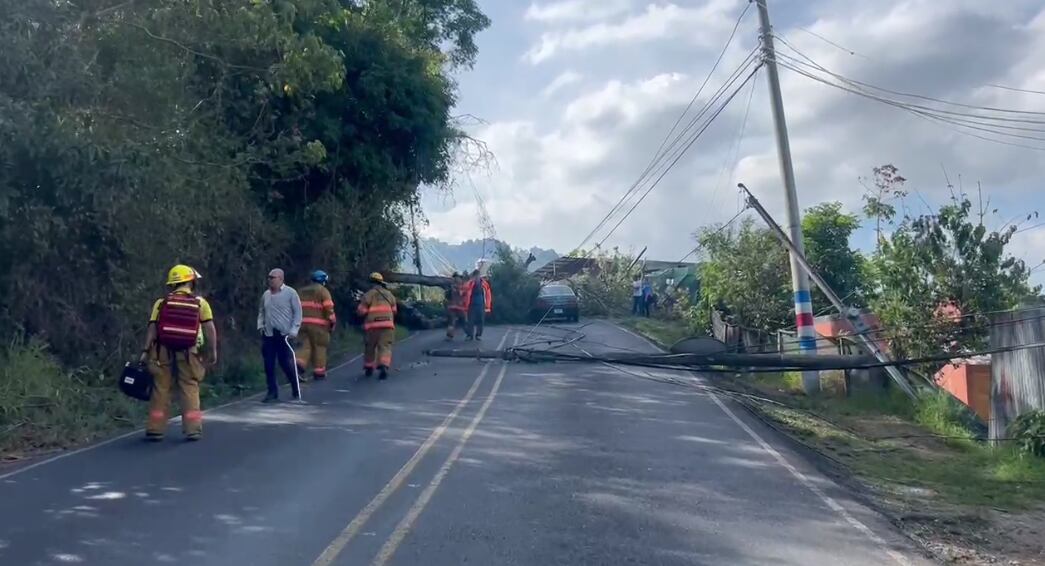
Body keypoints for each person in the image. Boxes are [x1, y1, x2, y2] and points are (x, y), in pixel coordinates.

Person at [139, 265, 218, 442]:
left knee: (161, 389)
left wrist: (145, 351)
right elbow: (210, 329)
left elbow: (152, 328)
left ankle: (155, 429)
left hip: (162, 351)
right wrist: (212, 352)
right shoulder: (200, 303)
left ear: (172, 284)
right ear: (190, 281)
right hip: (189, 352)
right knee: (189, 388)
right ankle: (192, 429)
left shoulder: (161, 303)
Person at [258, 268, 303, 403]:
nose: (270, 280)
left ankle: (295, 386)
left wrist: (294, 330)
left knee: (285, 363)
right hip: (269, 334)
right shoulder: (266, 295)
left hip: (284, 334)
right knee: (269, 364)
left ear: (281, 279)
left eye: (273, 278)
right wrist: (260, 325)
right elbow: (261, 311)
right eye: (269, 277)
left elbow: (298, 313)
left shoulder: (290, 293)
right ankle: (272, 391)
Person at [297, 270, 337, 381]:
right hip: (319, 326)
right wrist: (332, 322)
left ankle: (298, 365)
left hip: (302, 324)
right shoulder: (323, 291)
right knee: (320, 347)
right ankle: (319, 372)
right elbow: (329, 309)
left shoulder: (301, 291)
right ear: (323, 280)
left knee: (305, 346)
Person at [357, 272, 398, 380]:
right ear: (381, 282)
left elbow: (361, 311)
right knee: (385, 346)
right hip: (387, 325)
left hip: (372, 326)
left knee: (370, 347)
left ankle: (369, 367)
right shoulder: (389, 295)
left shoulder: (368, 295)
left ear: (371, 283)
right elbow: (394, 310)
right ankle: (384, 365)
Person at [462, 269, 492, 341]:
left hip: (481, 305)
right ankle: (470, 335)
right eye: (475, 276)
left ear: (479, 276)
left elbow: (488, 294)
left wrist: (488, 305)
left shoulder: (484, 284)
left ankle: (478, 335)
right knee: (470, 321)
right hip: (471, 305)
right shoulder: (469, 283)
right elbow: (464, 290)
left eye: (478, 276)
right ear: (473, 276)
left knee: (481, 320)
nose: (477, 277)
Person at [445, 273, 467, 340]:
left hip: (452, 306)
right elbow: (464, 295)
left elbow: (447, 296)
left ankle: (450, 335)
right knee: (463, 321)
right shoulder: (462, 286)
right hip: (459, 306)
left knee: (451, 322)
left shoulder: (451, 286)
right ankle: (469, 334)